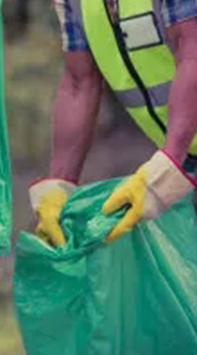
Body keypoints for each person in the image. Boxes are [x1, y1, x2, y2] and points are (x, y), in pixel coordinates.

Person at [32, 0, 197, 248]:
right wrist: (59, 184)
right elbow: (79, 82)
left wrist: (169, 162)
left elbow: (192, 53)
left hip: (180, 153)